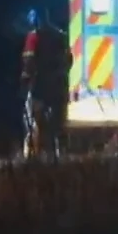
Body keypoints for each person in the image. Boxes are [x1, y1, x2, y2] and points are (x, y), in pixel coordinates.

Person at [20, 8, 69, 158]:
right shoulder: (61, 36)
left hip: (39, 88)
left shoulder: (33, 37)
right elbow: (69, 60)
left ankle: (32, 155)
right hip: (57, 88)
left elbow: (28, 61)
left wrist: (25, 79)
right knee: (57, 125)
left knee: (31, 121)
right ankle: (59, 154)